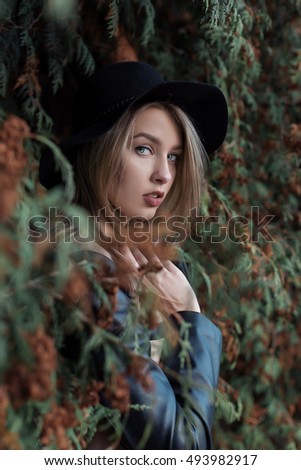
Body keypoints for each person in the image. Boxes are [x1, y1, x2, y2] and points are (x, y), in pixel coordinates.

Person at [39, 61, 228, 450]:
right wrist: (190, 317)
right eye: (144, 149)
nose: (164, 174)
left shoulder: (137, 269)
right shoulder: (91, 288)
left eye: (174, 156)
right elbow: (182, 451)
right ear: (100, 153)